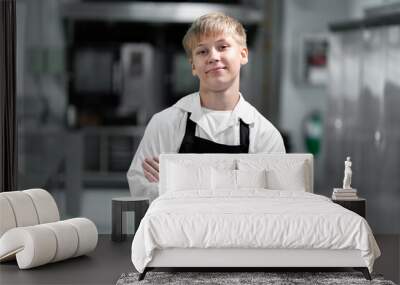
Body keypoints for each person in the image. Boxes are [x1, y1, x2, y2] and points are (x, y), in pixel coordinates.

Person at [127, 12, 285, 201]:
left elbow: (272, 203)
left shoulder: (265, 135)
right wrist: (237, 187)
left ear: (243, 54)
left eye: (223, 47)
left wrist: (177, 182)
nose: (213, 57)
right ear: (193, 66)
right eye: (202, 51)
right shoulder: (165, 124)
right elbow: (141, 189)